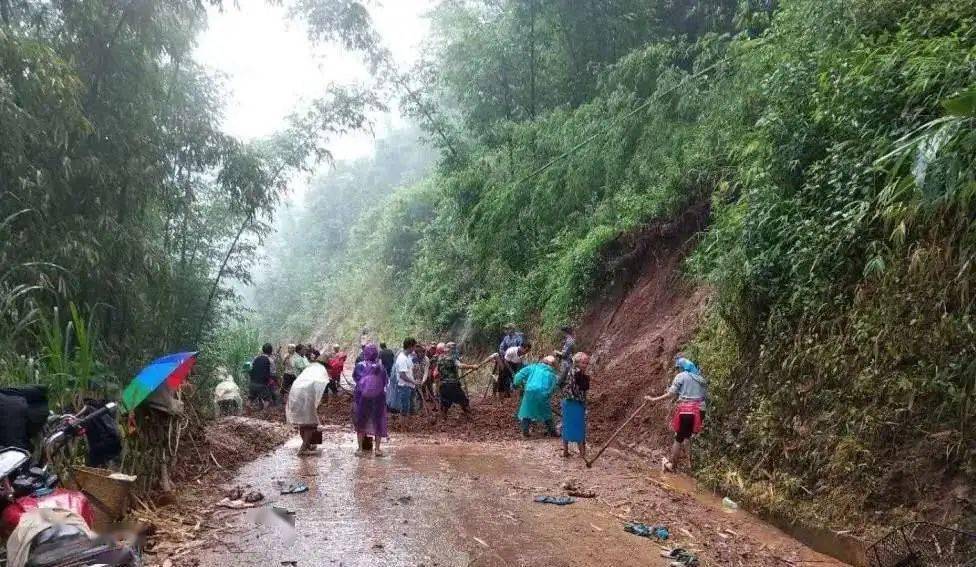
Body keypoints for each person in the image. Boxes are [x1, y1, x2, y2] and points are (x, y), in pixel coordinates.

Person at [644, 356, 707, 472]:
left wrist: (653, 399)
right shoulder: (700, 379)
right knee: (688, 436)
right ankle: (689, 465)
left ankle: (672, 465)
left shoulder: (681, 376)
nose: (678, 370)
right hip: (699, 412)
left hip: (686, 411)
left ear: (683, 367)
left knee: (678, 438)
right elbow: (703, 397)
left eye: (679, 368)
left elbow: (671, 393)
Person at [285, 359, 329, 456]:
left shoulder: (310, 369)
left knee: (303, 422)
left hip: (295, 395)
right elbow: (318, 389)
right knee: (310, 424)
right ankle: (303, 449)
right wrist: (318, 404)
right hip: (306, 396)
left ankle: (308, 444)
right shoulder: (320, 371)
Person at [352, 344, 389, 456]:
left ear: (365, 353)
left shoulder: (359, 365)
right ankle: (377, 449)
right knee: (378, 421)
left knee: (361, 421)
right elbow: (385, 382)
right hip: (378, 398)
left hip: (362, 398)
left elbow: (356, 378)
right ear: (376, 354)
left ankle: (360, 449)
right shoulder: (380, 367)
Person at [513, 356, 560, 437]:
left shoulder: (533, 367)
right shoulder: (553, 375)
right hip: (543, 393)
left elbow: (518, 377)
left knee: (526, 411)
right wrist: (548, 395)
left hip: (529, 391)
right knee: (546, 413)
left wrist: (517, 384)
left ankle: (525, 432)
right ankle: (553, 432)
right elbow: (553, 388)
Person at [435, 341, 478, 420]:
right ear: (449, 349)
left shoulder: (440, 359)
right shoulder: (452, 359)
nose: (455, 350)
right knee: (463, 401)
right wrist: (472, 366)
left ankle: (443, 420)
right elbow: (460, 365)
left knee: (446, 404)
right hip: (452, 385)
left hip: (443, 385)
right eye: (453, 348)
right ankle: (470, 418)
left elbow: (437, 373)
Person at [560, 352, 591, 458]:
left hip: (568, 402)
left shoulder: (571, 371)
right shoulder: (578, 373)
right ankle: (582, 453)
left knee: (567, 426)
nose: (585, 365)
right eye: (583, 363)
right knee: (579, 427)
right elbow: (581, 389)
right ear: (577, 362)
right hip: (576, 403)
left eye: (586, 363)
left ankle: (565, 451)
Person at [393, 338, 419, 427]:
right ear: (410, 346)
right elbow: (402, 375)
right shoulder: (402, 358)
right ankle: (403, 426)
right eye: (414, 346)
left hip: (410, 385)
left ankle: (407, 425)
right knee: (404, 407)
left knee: (409, 406)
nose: (415, 348)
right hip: (404, 386)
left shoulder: (408, 357)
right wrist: (414, 381)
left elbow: (409, 371)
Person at [248, 343, 277, 409]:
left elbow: (250, 368)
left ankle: (248, 411)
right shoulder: (271, 360)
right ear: (271, 351)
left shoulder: (256, 358)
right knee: (267, 400)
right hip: (262, 384)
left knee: (250, 399)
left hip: (252, 382)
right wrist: (274, 381)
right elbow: (273, 373)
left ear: (262, 350)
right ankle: (264, 413)